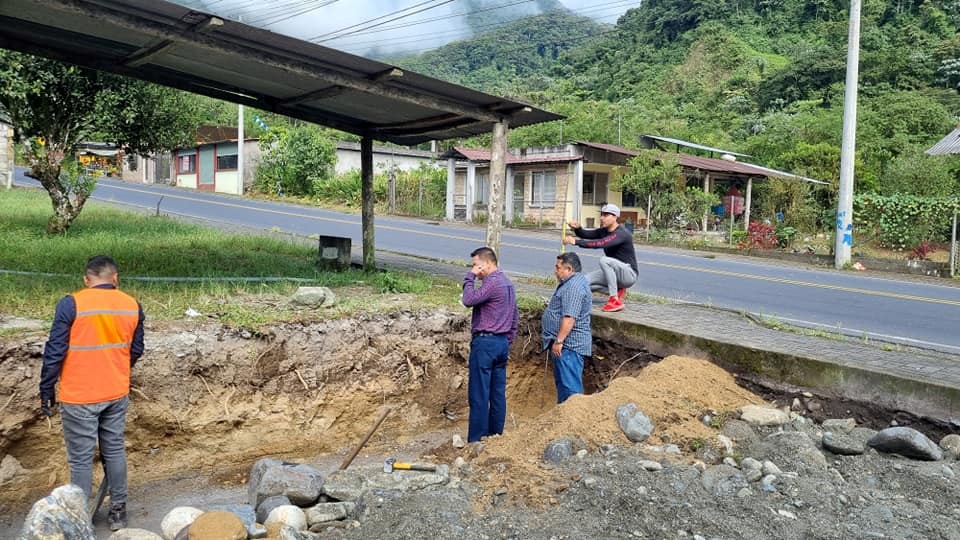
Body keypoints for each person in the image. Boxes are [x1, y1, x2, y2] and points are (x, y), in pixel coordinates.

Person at [39, 255, 145, 531]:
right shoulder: (132, 305)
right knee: (114, 450)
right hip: (115, 391)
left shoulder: (72, 303)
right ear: (115, 278)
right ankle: (118, 512)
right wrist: (117, 368)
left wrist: (46, 387)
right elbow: (136, 350)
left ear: (86, 281)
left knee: (81, 459)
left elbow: (55, 350)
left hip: (79, 394)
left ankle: (79, 518)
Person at [461, 247, 518, 443]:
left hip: (486, 342)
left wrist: (470, 277)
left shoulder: (492, 282)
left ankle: (477, 439)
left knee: (479, 393)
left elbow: (468, 300)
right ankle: (496, 436)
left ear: (487, 263)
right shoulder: (508, 284)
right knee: (497, 393)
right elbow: (514, 316)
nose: (475, 269)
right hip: (501, 343)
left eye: (476, 265)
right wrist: (508, 339)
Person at [563, 203, 638, 312]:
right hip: (613, 272)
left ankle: (614, 300)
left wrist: (575, 242)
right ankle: (617, 291)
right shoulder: (604, 231)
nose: (602, 218)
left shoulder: (622, 234)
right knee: (582, 282)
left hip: (628, 274)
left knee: (604, 260)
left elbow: (600, 243)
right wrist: (578, 228)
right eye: (602, 214)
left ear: (615, 217)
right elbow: (586, 234)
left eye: (606, 215)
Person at [541, 252, 592, 403]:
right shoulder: (571, 283)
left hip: (569, 347)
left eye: (558, 268)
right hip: (566, 347)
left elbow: (569, 317)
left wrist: (559, 341)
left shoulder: (573, 288)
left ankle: (572, 423)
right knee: (564, 386)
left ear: (569, 269)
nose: (555, 271)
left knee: (570, 390)